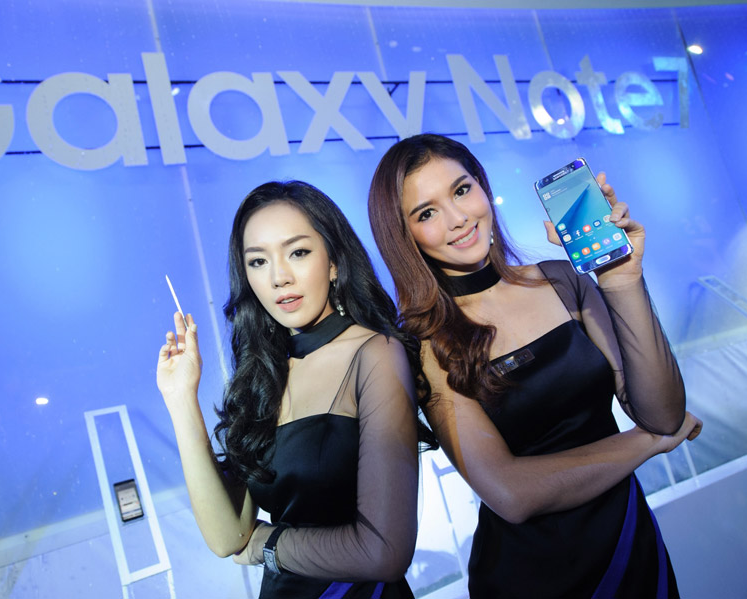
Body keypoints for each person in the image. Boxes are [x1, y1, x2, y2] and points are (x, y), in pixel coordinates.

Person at [366, 134, 703, 599]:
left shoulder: (563, 281)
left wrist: (621, 280)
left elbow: (663, 413)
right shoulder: (425, 345)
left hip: (629, 543)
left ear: (483, 186)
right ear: (404, 238)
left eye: (462, 190)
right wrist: (647, 443)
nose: (458, 218)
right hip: (530, 576)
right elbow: (511, 494)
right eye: (427, 213)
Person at [156, 180, 436, 598]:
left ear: (334, 262)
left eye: (298, 252)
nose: (279, 277)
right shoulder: (261, 376)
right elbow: (227, 538)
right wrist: (181, 400)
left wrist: (267, 545)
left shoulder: (375, 353)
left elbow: (385, 554)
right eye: (258, 262)